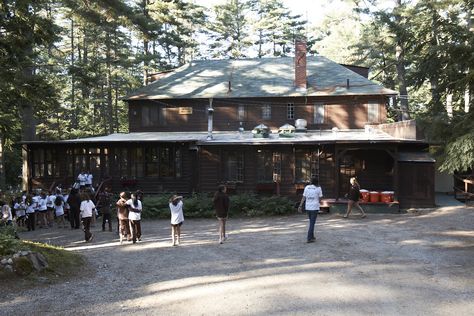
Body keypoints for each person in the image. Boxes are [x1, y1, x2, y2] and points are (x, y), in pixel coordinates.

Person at [298, 177, 323, 243]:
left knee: (311, 222)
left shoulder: (306, 187)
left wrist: (300, 205)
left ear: (311, 182)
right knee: (312, 223)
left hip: (308, 207)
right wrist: (319, 202)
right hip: (314, 207)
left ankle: (312, 236)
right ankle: (309, 238)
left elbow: (304, 197)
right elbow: (320, 198)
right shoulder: (318, 188)